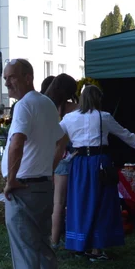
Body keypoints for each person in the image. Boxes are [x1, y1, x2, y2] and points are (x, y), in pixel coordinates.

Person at [0, 59, 65, 269]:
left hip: (23, 189)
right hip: (42, 186)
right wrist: (50, 166)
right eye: (5, 77)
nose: (7, 82)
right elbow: (62, 140)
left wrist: (10, 180)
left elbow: (17, 142)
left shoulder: (24, 105)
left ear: (27, 76)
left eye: (11, 77)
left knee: (27, 256)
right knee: (44, 251)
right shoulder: (46, 103)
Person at [58, 84, 135, 260]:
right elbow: (126, 135)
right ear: (98, 99)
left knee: (79, 202)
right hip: (100, 162)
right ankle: (96, 250)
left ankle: (79, 245)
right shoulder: (104, 117)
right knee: (101, 203)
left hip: (79, 163)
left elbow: (54, 135)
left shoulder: (69, 118)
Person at [45, 74, 79, 249]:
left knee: (55, 202)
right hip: (71, 157)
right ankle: (60, 238)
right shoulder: (75, 109)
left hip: (49, 156)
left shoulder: (46, 105)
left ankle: (52, 238)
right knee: (66, 202)